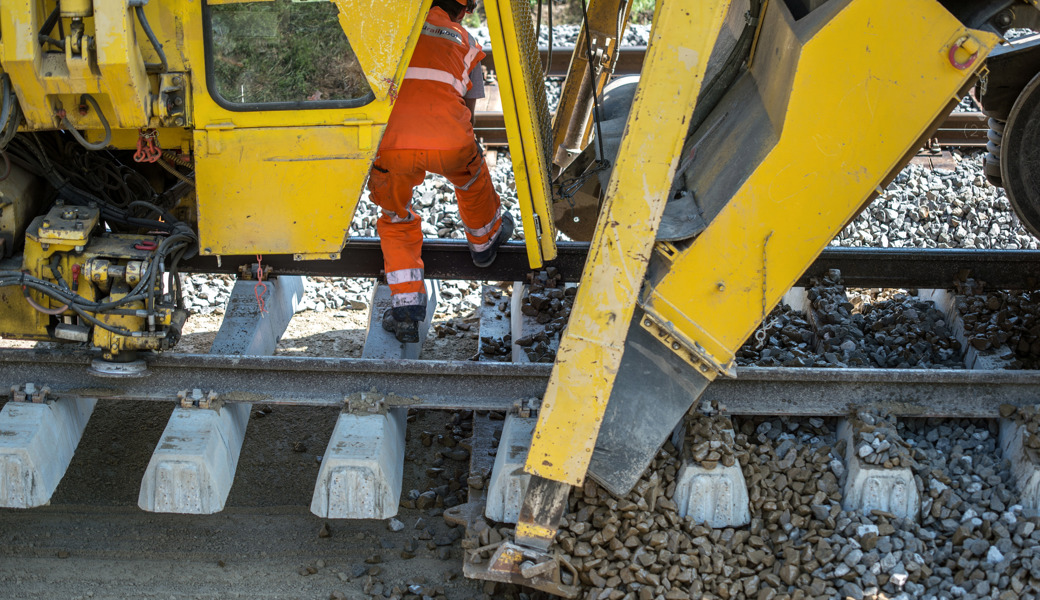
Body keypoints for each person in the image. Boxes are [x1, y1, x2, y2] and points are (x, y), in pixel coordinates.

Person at [368, 0, 513, 343]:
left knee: (395, 217)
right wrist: (460, 150)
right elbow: (470, 108)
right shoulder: (466, 41)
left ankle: (405, 311)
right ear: (461, 10)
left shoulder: (391, 34)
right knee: (472, 180)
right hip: (449, 141)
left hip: (392, 144)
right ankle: (484, 245)